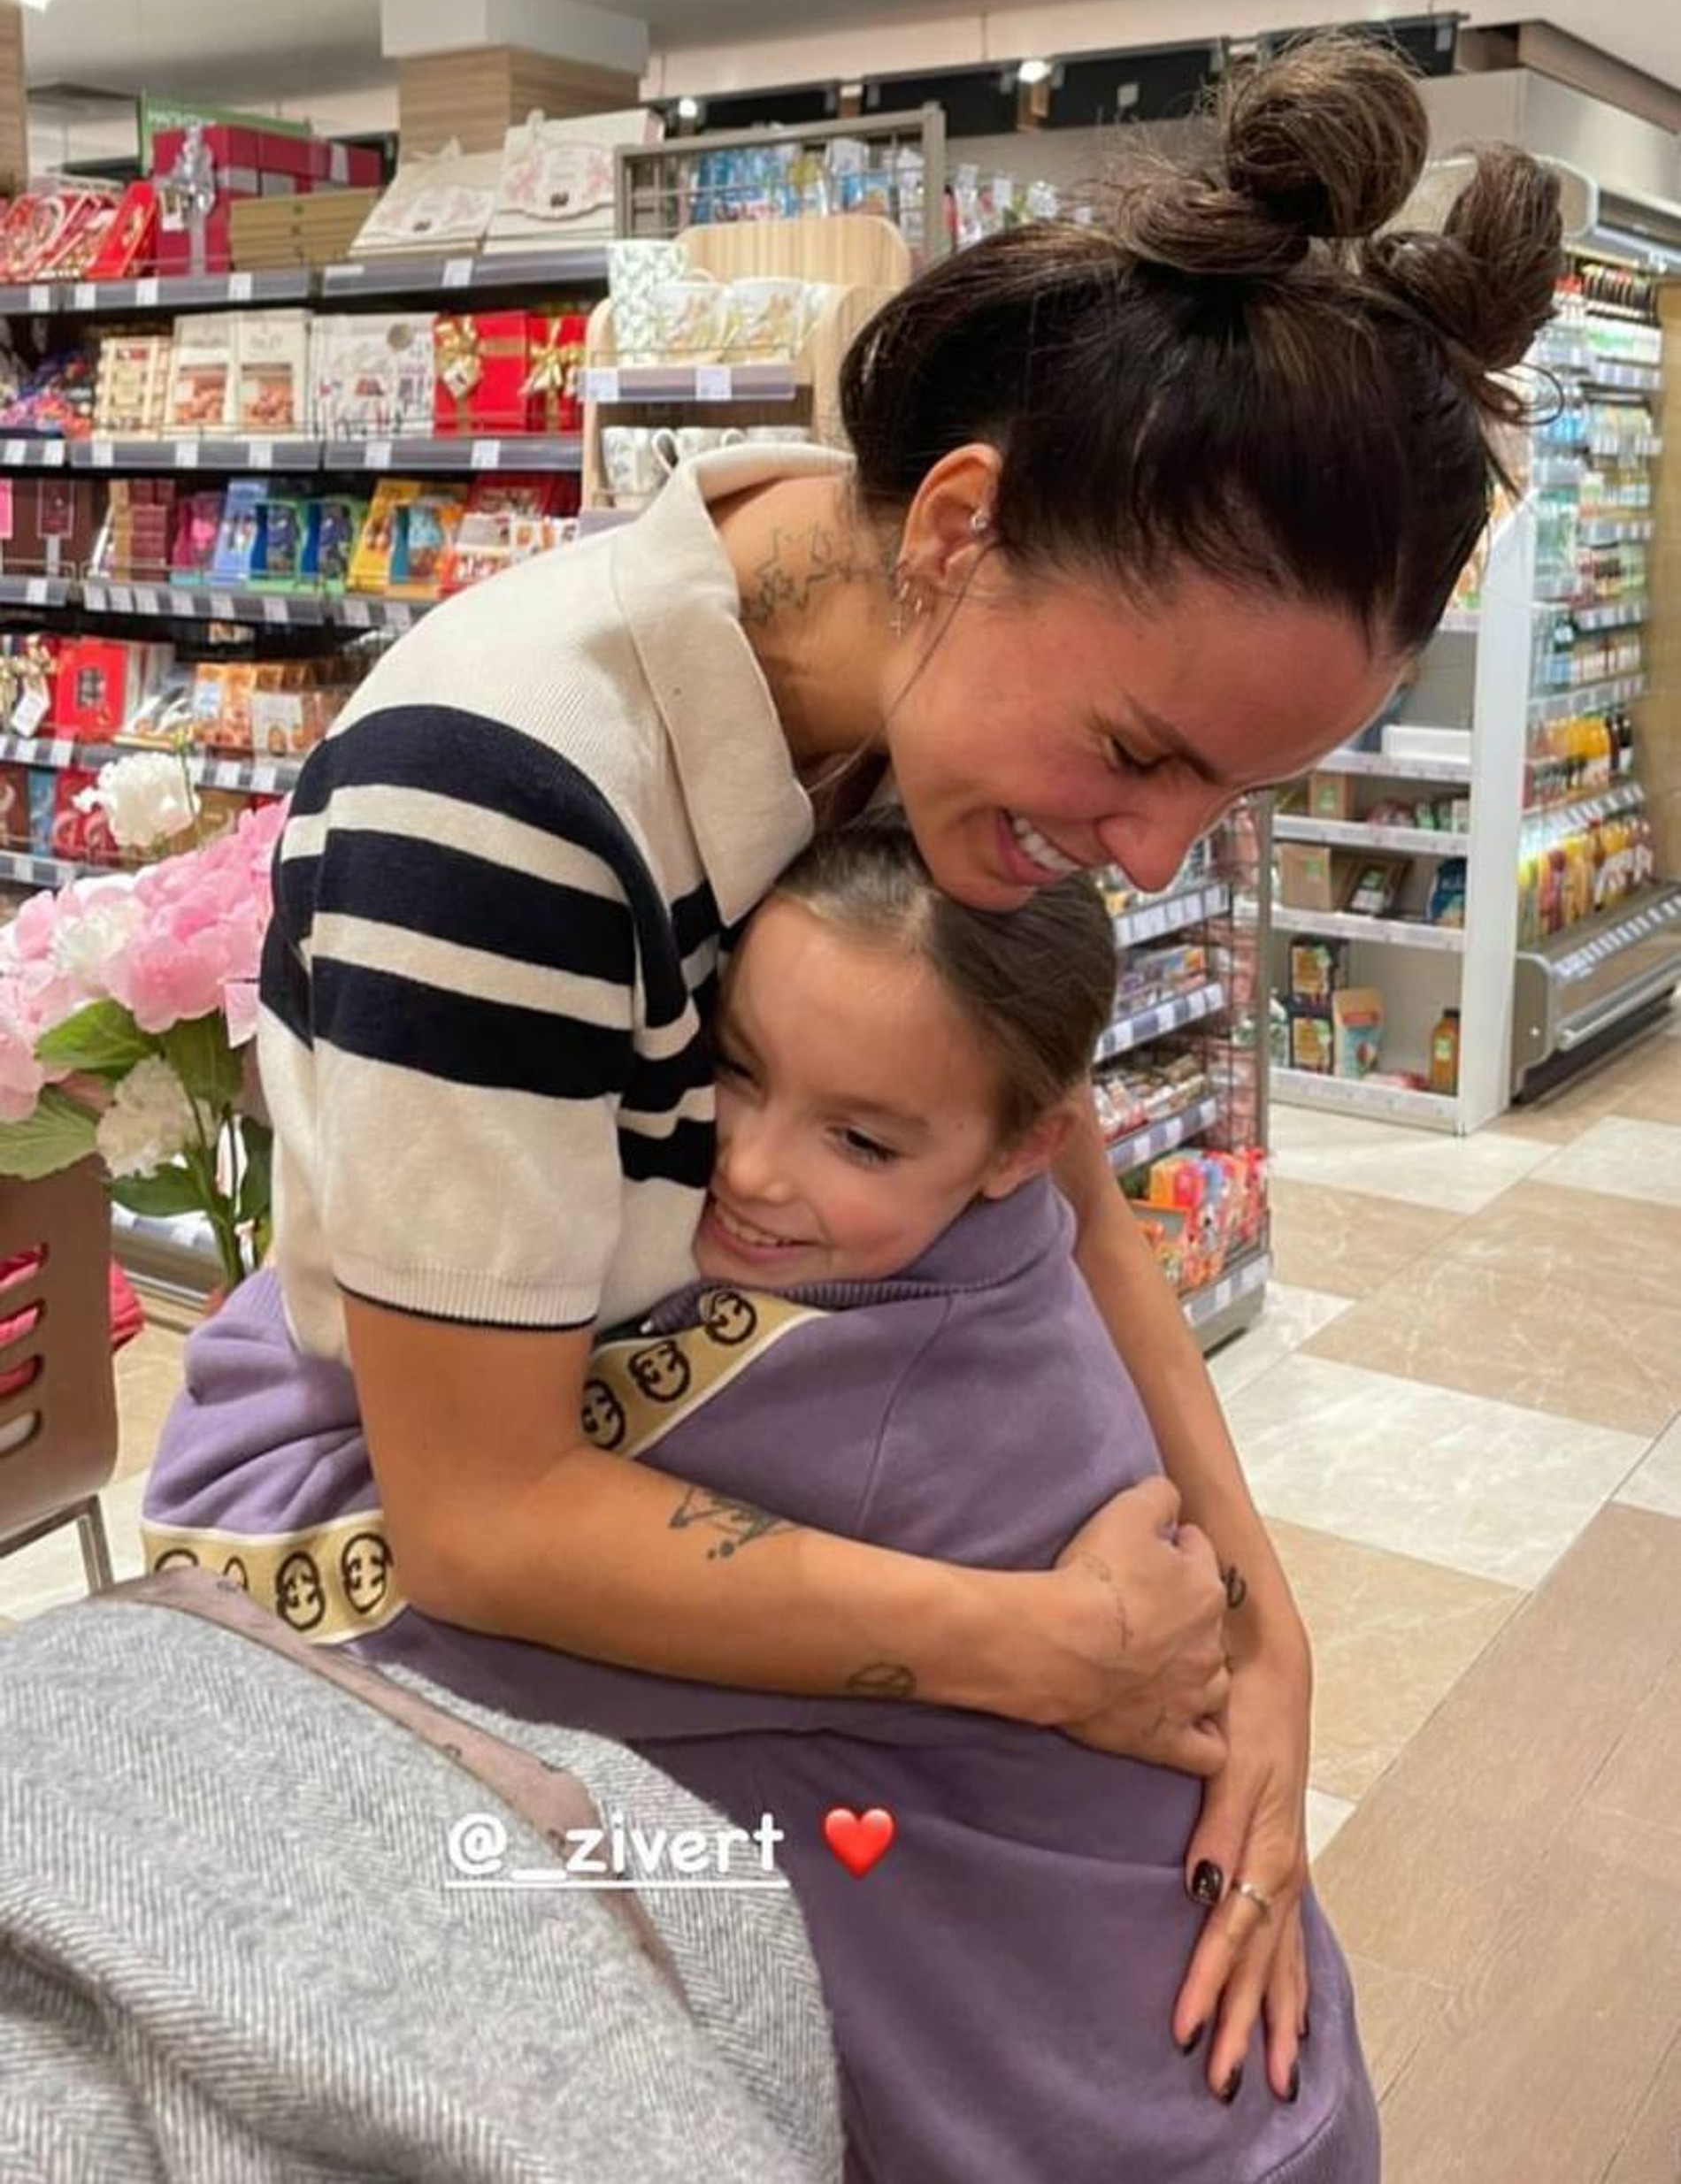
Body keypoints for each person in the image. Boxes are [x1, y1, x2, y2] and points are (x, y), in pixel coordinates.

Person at [149, 33, 1562, 2095]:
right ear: (960, 525)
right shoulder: (503, 796)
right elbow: (478, 1519)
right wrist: (1049, 1652)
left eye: (1226, 794)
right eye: (1140, 753)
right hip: (468, 1517)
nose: (1149, 855)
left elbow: (1063, 1174)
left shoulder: (909, 708)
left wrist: (1255, 1631)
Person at [145, 816, 1381, 2180]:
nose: (750, 1168)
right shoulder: (997, 1265)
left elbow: (249, 1530)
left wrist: (355, 1243)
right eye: (733, 1070)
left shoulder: (817, 1404)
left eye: (859, 1137)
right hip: (1243, 2093)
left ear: (1025, 1144)